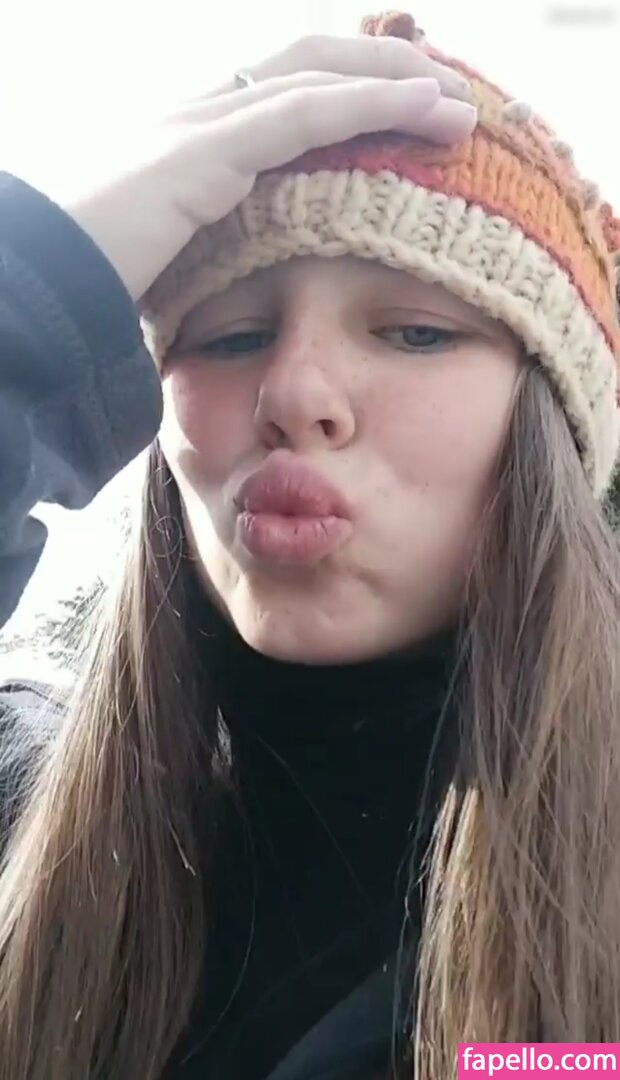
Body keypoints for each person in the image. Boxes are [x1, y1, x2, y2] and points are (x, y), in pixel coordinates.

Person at [0, 8, 619, 1079]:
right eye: (230, 336)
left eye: (417, 331)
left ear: (554, 436)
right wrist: (37, 295)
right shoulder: (22, 805)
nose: (292, 394)